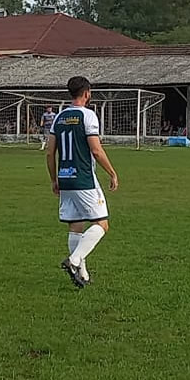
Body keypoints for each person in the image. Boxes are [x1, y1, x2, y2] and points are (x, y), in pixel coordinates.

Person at [47, 76, 119, 289]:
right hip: (84, 178)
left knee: (75, 225)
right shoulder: (88, 116)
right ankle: (74, 260)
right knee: (102, 224)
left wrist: (53, 179)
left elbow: (50, 152)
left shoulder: (59, 117)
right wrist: (112, 173)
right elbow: (96, 150)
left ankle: (83, 273)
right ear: (87, 93)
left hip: (65, 178)